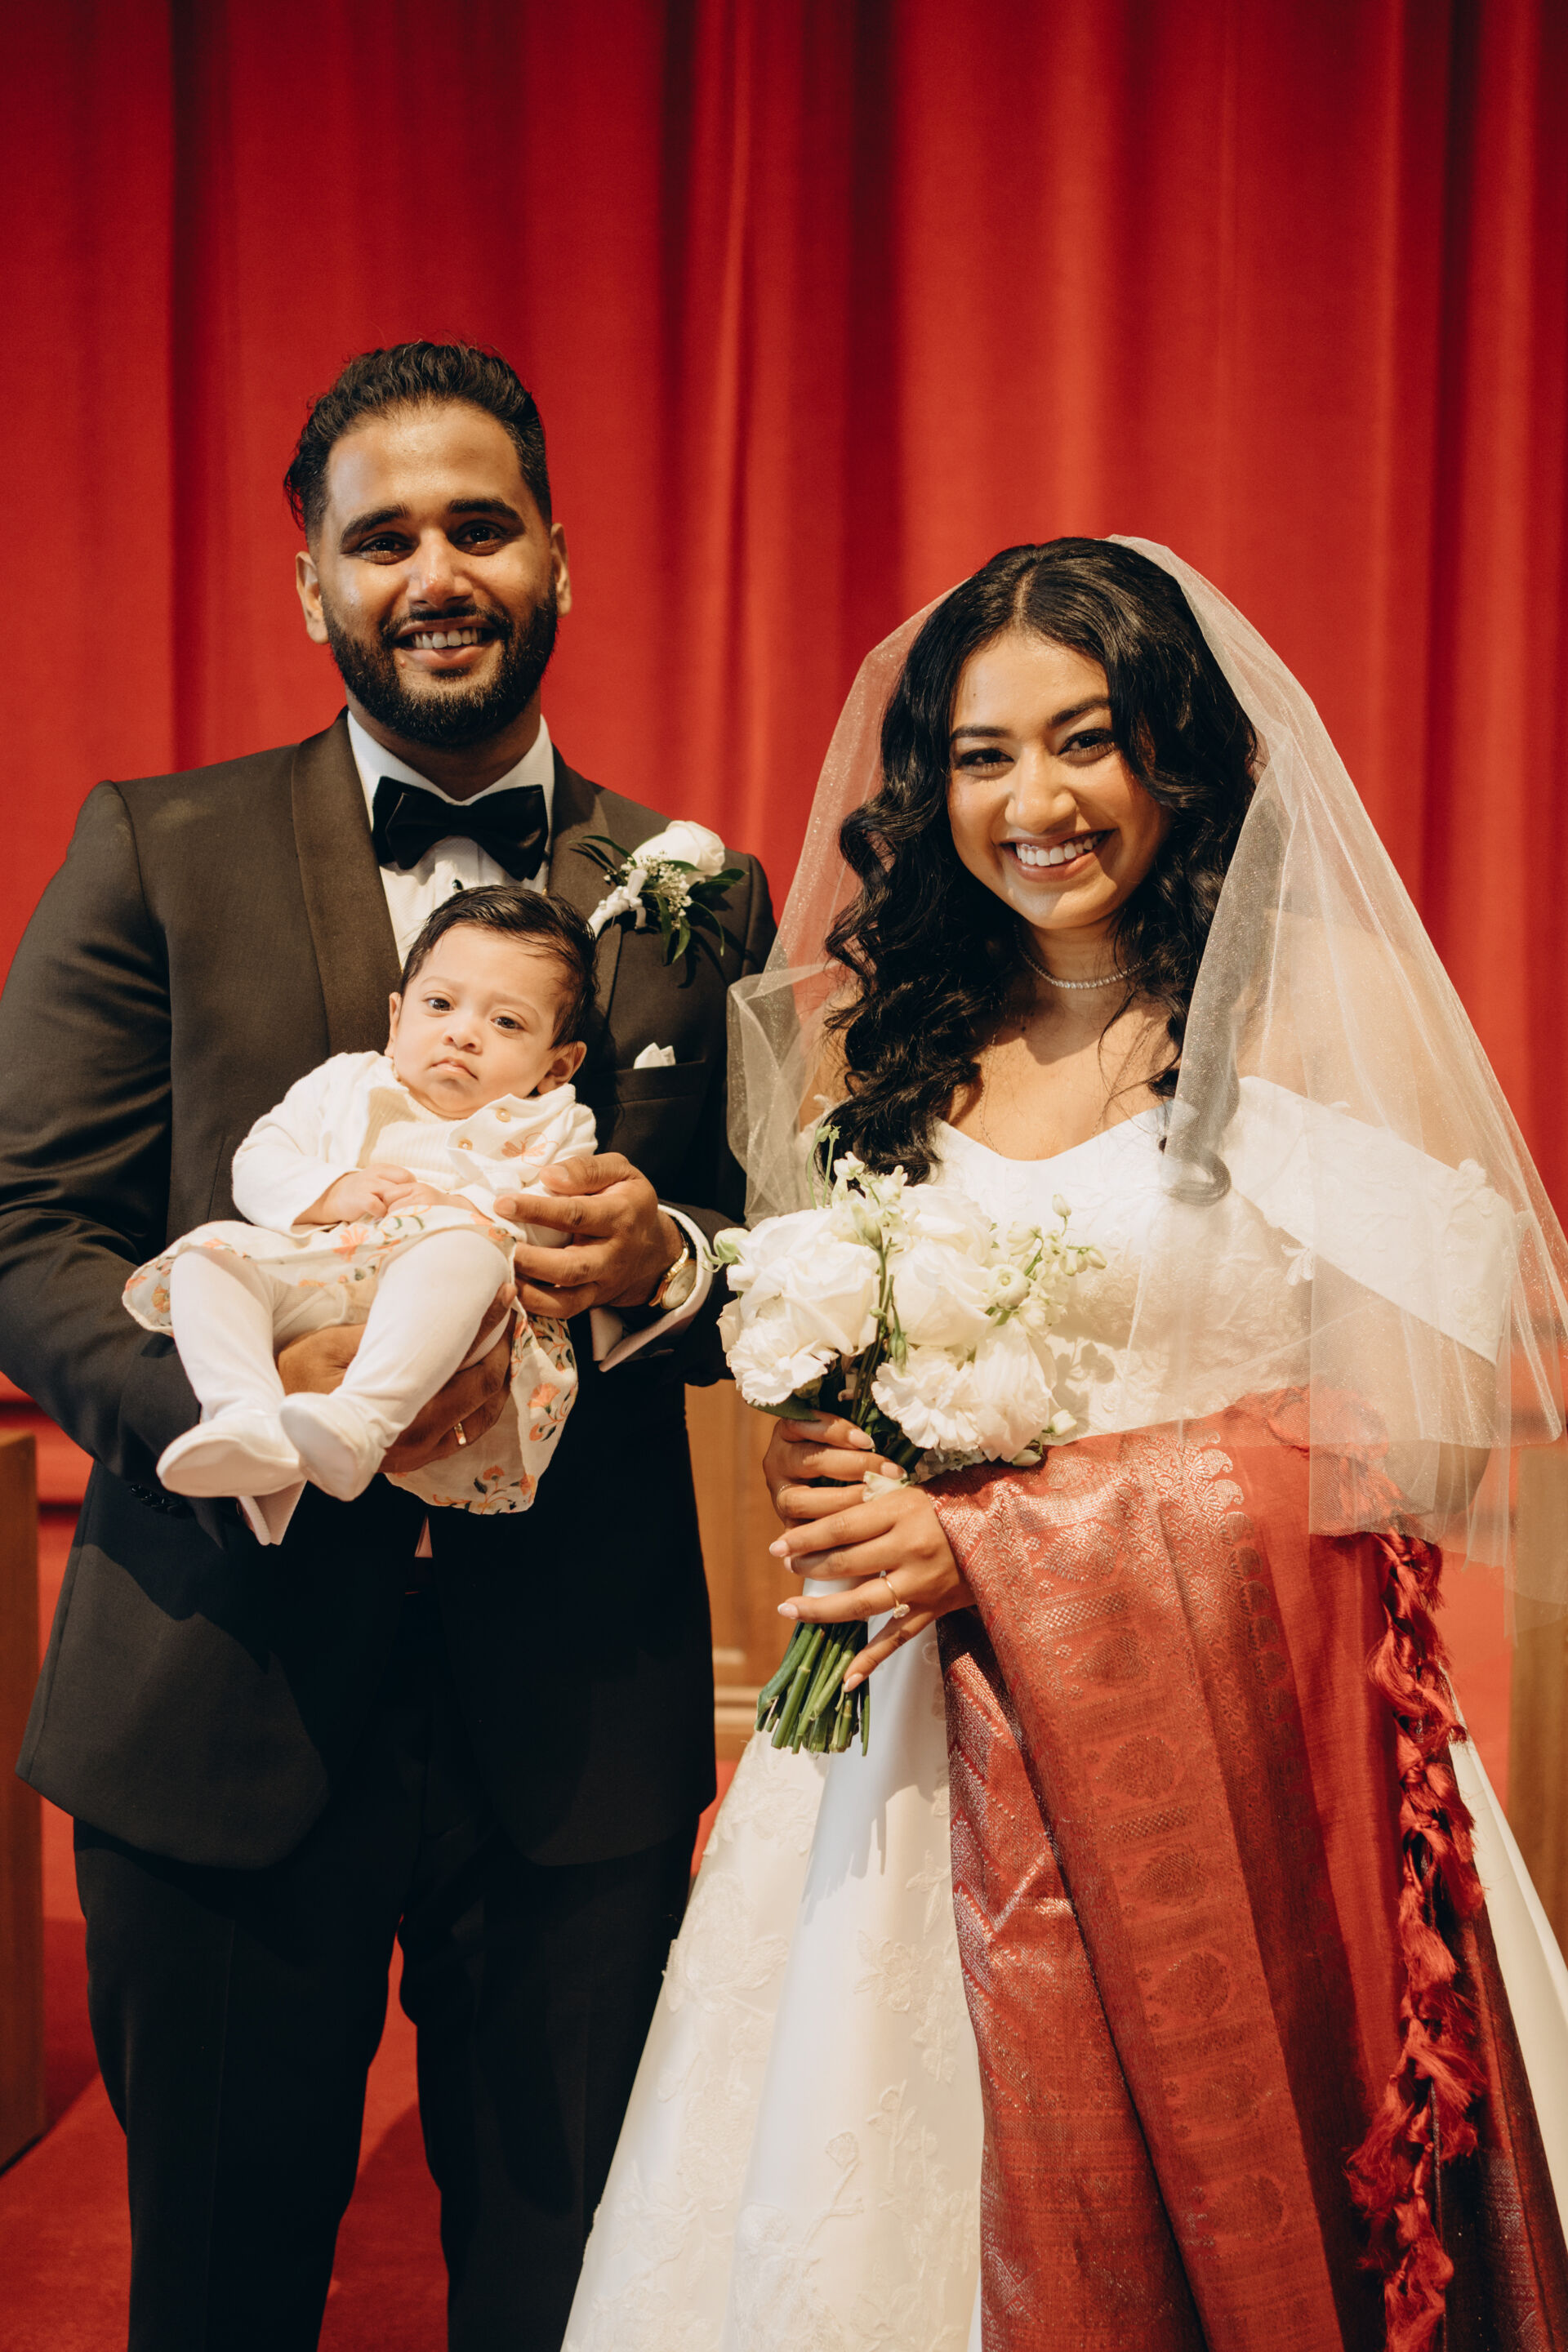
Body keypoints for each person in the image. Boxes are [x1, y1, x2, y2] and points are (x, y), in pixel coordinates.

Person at [566, 539, 1568, 2352]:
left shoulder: (1289, 1022)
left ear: (1174, 746)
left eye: (1084, 739)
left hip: (1222, 1763)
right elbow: (831, 1334)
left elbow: (1410, 1444)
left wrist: (1003, 1536)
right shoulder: (884, 1041)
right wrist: (829, 1449)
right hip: (895, 1754)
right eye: (981, 755)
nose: (1034, 803)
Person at [0, 340, 774, 2352]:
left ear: (558, 558)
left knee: (564, 2285)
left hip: (574, 1724)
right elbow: (31, 1227)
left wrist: (667, 1258)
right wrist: (247, 1406)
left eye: (480, 525)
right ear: (313, 587)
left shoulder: (696, 892)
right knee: (218, 2292)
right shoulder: (156, 846)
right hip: (220, 1681)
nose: (435, 571)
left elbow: (775, 1249)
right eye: (382, 537)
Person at [127, 886, 598, 1521]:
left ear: (559, 1066)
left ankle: (362, 1419)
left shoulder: (555, 1123)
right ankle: (244, 1414)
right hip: (321, 1276)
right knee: (210, 1254)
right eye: (440, 1004)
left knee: (465, 1250)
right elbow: (258, 1162)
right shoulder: (344, 1083)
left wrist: (457, 1209)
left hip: (447, 1316)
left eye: (507, 1022)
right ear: (396, 1020)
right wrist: (331, 1189)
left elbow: (551, 1228)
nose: (462, 1033)